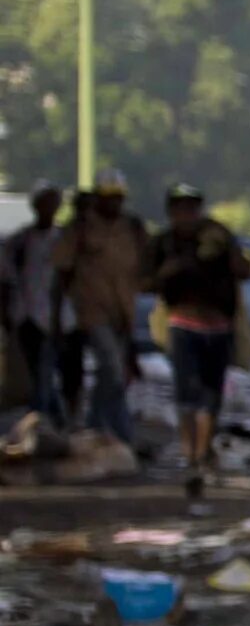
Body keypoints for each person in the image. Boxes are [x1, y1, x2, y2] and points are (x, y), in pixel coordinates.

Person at [153, 182, 250, 496]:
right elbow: (145, 280)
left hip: (218, 326)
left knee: (210, 396)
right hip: (183, 324)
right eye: (181, 209)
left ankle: (201, 454)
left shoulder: (218, 235)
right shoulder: (165, 244)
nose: (187, 215)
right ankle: (190, 456)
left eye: (192, 208)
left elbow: (243, 270)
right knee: (187, 394)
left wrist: (226, 249)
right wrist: (177, 268)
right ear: (171, 213)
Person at [52, 170, 149, 448]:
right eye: (108, 198)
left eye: (118, 198)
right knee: (111, 367)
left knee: (118, 377)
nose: (114, 204)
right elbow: (62, 270)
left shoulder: (131, 228)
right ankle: (95, 425)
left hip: (123, 311)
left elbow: (146, 266)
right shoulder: (82, 227)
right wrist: (58, 315)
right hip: (93, 310)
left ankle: (118, 434)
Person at [6, 186, 69, 424]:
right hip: (24, 315)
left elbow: (62, 284)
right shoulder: (20, 241)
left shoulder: (62, 240)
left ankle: (40, 420)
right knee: (34, 373)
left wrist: (58, 321)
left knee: (44, 372)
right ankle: (52, 419)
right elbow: (8, 279)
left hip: (50, 317)